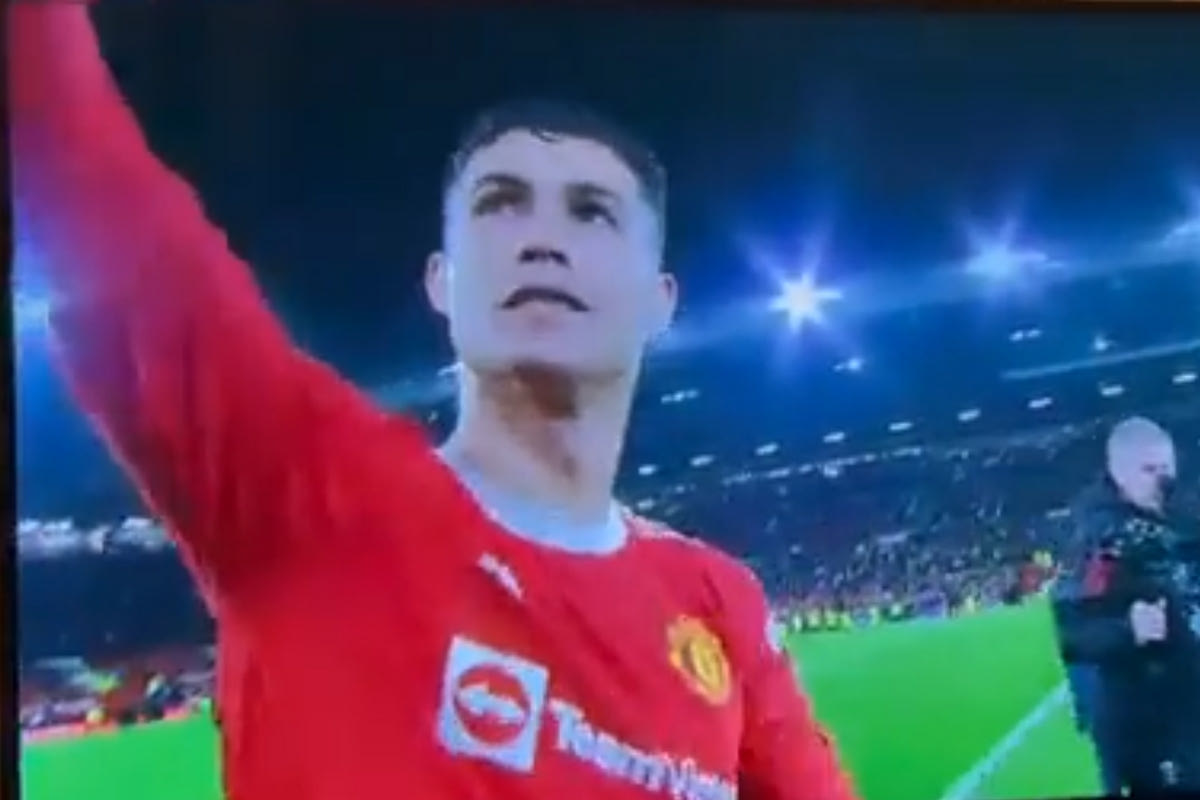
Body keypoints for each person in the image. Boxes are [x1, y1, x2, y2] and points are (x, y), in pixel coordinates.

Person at [10, 6, 857, 800]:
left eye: (592, 213)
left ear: (659, 300)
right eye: (500, 204)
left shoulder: (718, 603)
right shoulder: (312, 491)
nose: (543, 239)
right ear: (441, 284)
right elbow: (82, 163)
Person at [1054, 416, 1200, 795]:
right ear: (1118, 472)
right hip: (1151, 730)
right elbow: (1070, 632)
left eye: (1166, 468)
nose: (1162, 480)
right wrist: (1127, 629)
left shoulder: (1181, 521)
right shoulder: (1100, 540)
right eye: (1149, 470)